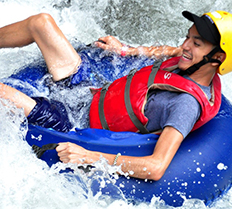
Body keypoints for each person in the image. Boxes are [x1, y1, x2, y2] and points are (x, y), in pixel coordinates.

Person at [0, 10, 230, 181]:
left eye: (195, 43)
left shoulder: (186, 105)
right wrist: (126, 50)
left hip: (72, 122)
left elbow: (156, 167)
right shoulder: (192, 60)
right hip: (89, 91)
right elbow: (171, 50)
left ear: (217, 59)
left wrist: (89, 157)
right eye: (187, 37)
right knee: (41, 23)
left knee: (2, 93)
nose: (185, 45)